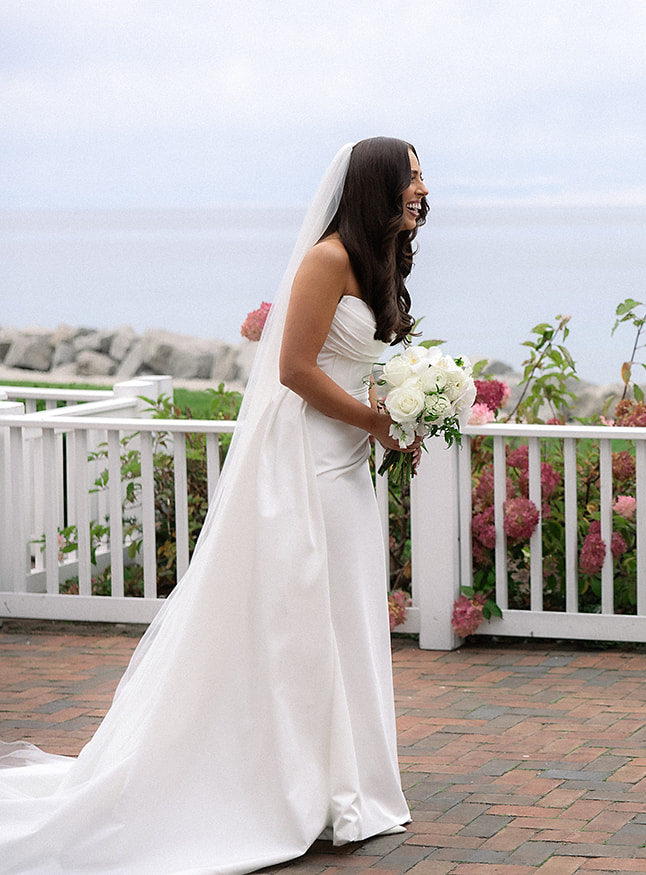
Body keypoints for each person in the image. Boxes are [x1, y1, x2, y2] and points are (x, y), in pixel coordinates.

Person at [0, 138, 428, 874]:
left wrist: (400, 412)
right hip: (302, 461)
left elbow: (349, 366)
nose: (423, 188)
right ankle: (293, 784)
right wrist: (375, 420)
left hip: (347, 464)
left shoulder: (373, 261)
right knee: (302, 620)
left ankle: (350, 782)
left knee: (350, 614)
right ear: (378, 185)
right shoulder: (326, 259)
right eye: (413, 175)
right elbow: (294, 369)